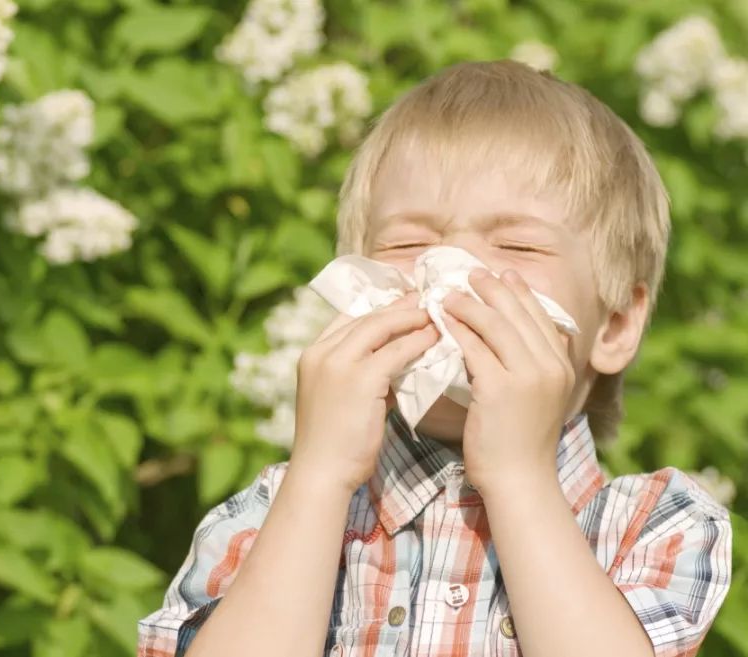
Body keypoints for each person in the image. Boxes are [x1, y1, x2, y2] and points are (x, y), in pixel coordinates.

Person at [136, 60, 733, 657]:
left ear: (616, 326)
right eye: (407, 243)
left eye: (517, 245)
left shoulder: (654, 525)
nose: (447, 272)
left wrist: (519, 477)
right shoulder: (273, 513)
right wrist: (319, 476)